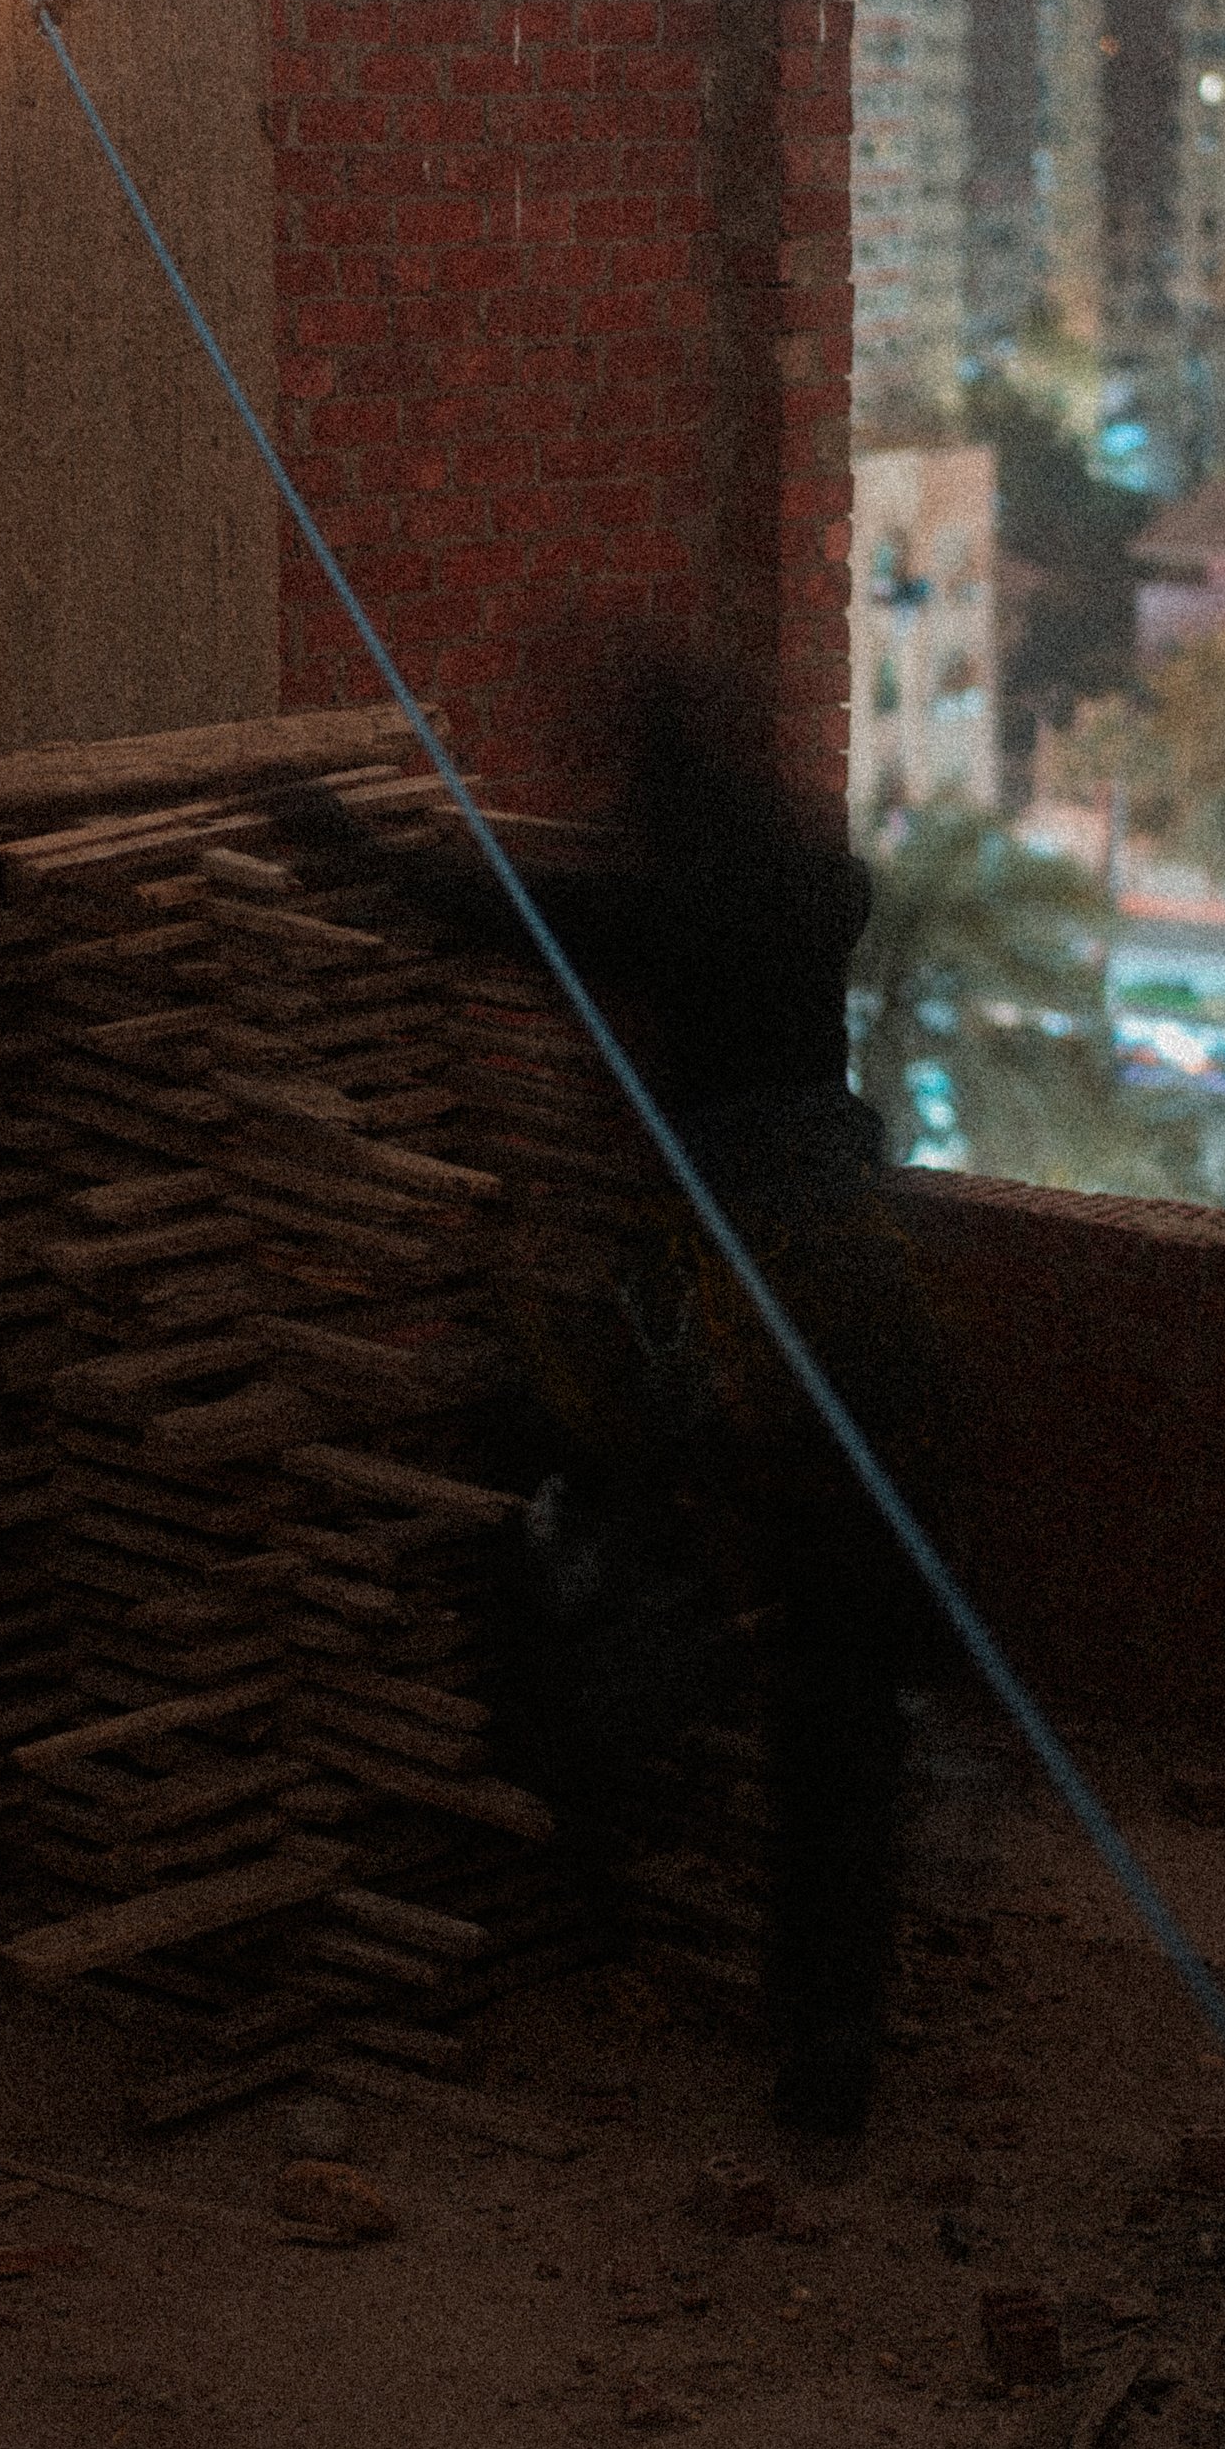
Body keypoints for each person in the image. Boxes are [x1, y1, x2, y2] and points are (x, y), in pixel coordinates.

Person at [282, 643, 962, 2136]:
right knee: (845, 1685)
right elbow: (760, 890)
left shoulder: (674, 908)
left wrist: (357, 853)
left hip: (748, 1319)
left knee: (572, 1512)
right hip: (876, 1291)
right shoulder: (804, 885)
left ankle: (586, 1816)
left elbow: (510, 916)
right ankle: (829, 2029)